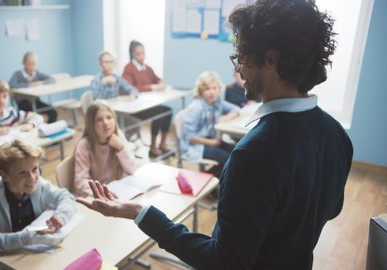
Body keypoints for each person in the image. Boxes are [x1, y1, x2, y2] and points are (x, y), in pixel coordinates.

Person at [77, 0, 354, 269]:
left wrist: (141, 213)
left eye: (241, 57)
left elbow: (222, 262)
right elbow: (331, 209)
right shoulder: (336, 134)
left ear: (271, 59)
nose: (238, 69)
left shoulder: (254, 154)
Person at [0, 139, 76, 270]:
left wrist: (61, 216)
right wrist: (23, 238)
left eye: (35, 169)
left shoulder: (38, 184)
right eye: (22, 173)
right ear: (4, 176)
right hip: (2, 262)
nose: (32, 178)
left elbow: (66, 197)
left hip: (34, 256)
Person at [181, 71, 240, 178]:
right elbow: (190, 137)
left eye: (214, 88)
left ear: (218, 89)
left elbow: (236, 109)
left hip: (211, 140)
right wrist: (211, 142)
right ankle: (206, 179)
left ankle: (210, 177)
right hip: (196, 145)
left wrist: (226, 117)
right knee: (230, 160)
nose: (211, 92)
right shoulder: (196, 108)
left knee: (238, 152)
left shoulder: (216, 102)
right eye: (207, 89)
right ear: (200, 91)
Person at [74, 102, 136, 197]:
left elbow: (131, 169)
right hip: (99, 195)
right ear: (91, 124)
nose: (106, 123)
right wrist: (101, 193)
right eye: (99, 120)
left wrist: (120, 148)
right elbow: (80, 183)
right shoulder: (84, 145)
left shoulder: (118, 136)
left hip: (120, 189)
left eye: (109, 117)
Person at [122, 40, 172, 158]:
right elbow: (130, 88)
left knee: (168, 111)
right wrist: (152, 87)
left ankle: (163, 143)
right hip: (136, 107)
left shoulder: (147, 68)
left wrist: (160, 82)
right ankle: (153, 147)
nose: (141, 56)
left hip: (148, 103)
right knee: (158, 114)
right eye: (138, 54)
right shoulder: (128, 69)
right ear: (132, 54)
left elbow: (157, 79)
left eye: (143, 53)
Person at [91, 51, 142, 142]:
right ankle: (113, 144)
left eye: (111, 62)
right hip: (104, 116)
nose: (109, 65)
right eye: (106, 62)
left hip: (116, 113)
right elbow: (97, 99)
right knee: (115, 128)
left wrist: (132, 96)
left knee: (136, 124)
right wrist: (104, 83)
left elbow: (132, 89)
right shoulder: (96, 80)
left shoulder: (117, 77)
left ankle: (120, 145)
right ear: (100, 65)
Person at [9, 52, 57, 123]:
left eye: (34, 64)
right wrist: (27, 85)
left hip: (35, 101)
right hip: (23, 103)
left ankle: (48, 130)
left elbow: (52, 79)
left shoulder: (37, 73)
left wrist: (41, 83)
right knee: (33, 117)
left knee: (53, 112)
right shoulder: (18, 74)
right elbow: (11, 85)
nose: (32, 67)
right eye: (29, 64)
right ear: (23, 63)